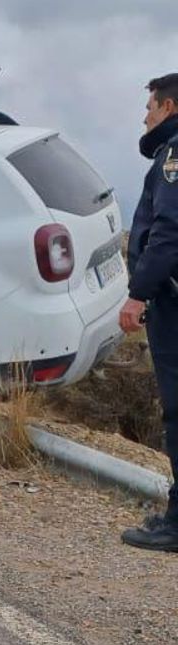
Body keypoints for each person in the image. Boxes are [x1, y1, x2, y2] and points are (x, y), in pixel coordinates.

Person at [120, 72, 178, 553]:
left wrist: (138, 293)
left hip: (173, 305)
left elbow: (167, 232)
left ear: (170, 107)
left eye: (151, 107)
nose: (146, 116)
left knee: (176, 412)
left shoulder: (173, 158)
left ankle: (176, 524)